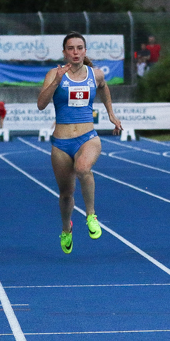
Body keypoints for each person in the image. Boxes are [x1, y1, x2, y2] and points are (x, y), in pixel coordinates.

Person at [36, 32, 122, 254]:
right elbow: (41, 104)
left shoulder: (96, 74)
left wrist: (111, 114)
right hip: (61, 143)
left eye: (79, 48)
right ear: (64, 52)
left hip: (87, 138)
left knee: (83, 168)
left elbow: (103, 88)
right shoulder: (54, 74)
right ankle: (66, 228)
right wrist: (56, 81)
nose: (75, 52)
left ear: (85, 51)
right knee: (66, 194)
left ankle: (91, 215)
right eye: (71, 48)